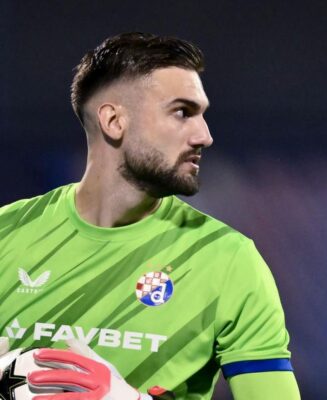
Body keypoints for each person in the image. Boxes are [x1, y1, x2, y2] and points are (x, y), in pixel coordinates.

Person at [0, 32, 300, 399]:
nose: (204, 135)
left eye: (202, 115)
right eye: (182, 112)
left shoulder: (228, 262)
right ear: (113, 121)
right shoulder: (7, 234)